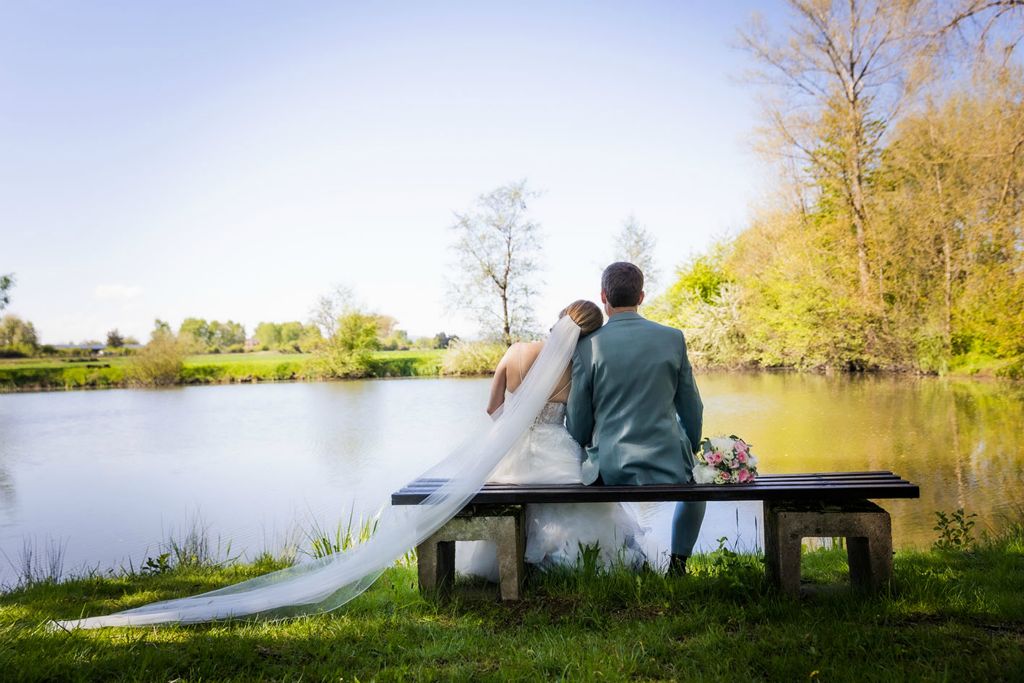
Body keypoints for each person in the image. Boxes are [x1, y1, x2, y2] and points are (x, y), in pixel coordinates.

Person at [458, 301, 647, 580]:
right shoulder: (576, 367)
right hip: (556, 448)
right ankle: (574, 560)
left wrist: (515, 433)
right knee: (580, 491)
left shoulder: (516, 351)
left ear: (559, 320)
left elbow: (492, 408)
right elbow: (578, 420)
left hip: (511, 452)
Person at [566, 262, 705, 576]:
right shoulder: (673, 338)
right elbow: (693, 409)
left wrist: (589, 447)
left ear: (603, 296)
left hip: (611, 467)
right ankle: (678, 565)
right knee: (698, 488)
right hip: (670, 464)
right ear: (641, 296)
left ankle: (624, 559)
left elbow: (577, 420)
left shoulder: (588, 346)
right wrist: (689, 450)